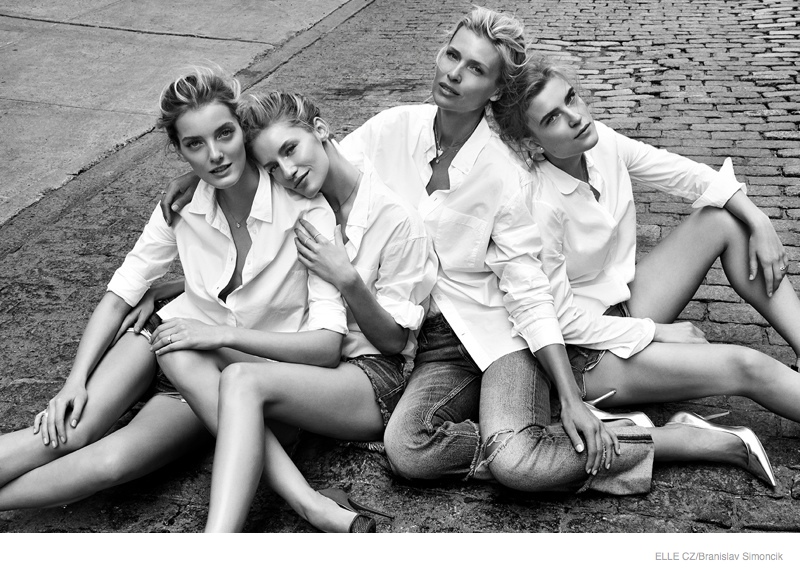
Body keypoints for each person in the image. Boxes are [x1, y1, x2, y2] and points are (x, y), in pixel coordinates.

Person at [162, 8, 774, 495]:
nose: (454, 73)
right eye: (451, 55)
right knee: (409, 452)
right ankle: (548, 435)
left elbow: (528, 291)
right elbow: (298, 159)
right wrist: (210, 175)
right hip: (432, 343)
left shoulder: (505, 171)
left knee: (517, 466)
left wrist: (568, 394)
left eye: (475, 68)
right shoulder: (392, 129)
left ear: (496, 88)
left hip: (501, 334)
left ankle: (651, 440)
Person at [0, 68, 359, 531]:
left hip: (230, 369)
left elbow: (326, 343)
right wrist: (75, 381)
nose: (214, 155)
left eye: (225, 134)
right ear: (180, 150)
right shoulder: (182, 205)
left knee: (110, 464)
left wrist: (215, 333)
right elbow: (121, 292)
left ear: (243, 131)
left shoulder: (305, 209)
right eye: (195, 145)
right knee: (68, 431)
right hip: (164, 337)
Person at [489, 53, 800, 481]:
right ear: (532, 143)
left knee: (725, 219)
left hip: (622, 304)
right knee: (748, 367)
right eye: (553, 118)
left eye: (571, 98)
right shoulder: (538, 203)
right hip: (586, 354)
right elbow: (558, 320)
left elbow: (690, 177)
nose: (575, 117)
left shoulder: (601, 144)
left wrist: (759, 219)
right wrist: (654, 332)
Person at [200, 91, 437, 532]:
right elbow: (233, 182)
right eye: (273, 166)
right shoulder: (300, 202)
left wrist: (347, 279)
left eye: (291, 149)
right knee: (185, 349)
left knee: (240, 379)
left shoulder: (395, 218)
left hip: (372, 378)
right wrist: (188, 182)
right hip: (313, 361)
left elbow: (393, 342)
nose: (287, 171)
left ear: (321, 130)